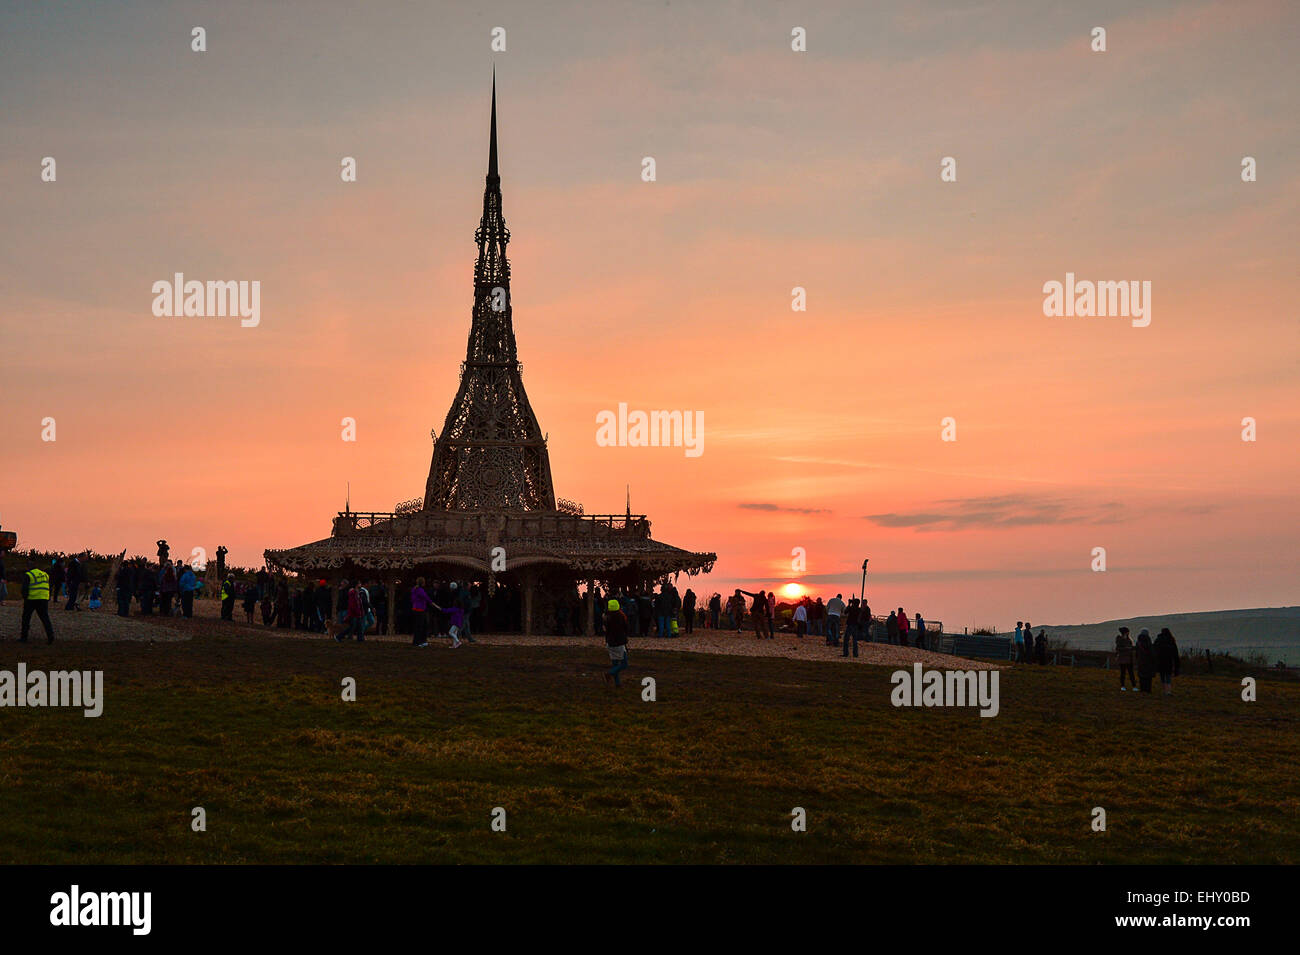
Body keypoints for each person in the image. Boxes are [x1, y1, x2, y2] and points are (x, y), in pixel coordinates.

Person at [19, 559, 54, 644]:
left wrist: (25, 597)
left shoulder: (29, 575)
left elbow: (25, 588)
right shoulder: (45, 574)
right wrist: (48, 596)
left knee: (26, 618)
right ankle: (50, 636)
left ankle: (24, 638)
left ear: (28, 567)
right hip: (43, 599)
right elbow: (49, 586)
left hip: (31, 599)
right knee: (45, 618)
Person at [603, 597, 630, 687]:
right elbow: (626, 628)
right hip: (619, 642)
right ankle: (610, 674)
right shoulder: (621, 616)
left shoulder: (606, 617)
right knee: (624, 664)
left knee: (615, 664)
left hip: (610, 642)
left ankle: (617, 683)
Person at [1153, 627, 1180, 695]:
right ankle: (1168, 691)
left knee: (1162, 676)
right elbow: (1175, 653)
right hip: (1169, 661)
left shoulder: (1158, 640)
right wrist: (1177, 664)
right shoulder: (1171, 640)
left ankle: (1164, 690)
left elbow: (1154, 650)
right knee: (1168, 676)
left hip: (1160, 661)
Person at [409, 577, 432, 647]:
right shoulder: (420, 590)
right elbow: (425, 597)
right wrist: (431, 602)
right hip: (420, 610)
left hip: (415, 609)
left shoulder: (414, 589)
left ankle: (418, 641)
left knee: (418, 626)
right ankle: (419, 641)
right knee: (421, 626)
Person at [1135, 628, 1156, 694]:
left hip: (1141, 661)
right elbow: (1152, 653)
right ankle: (1148, 689)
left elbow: (1137, 653)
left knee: (1141, 676)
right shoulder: (1148, 642)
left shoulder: (1138, 643)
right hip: (1148, 661)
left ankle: (1142, 689)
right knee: (1148, 677)